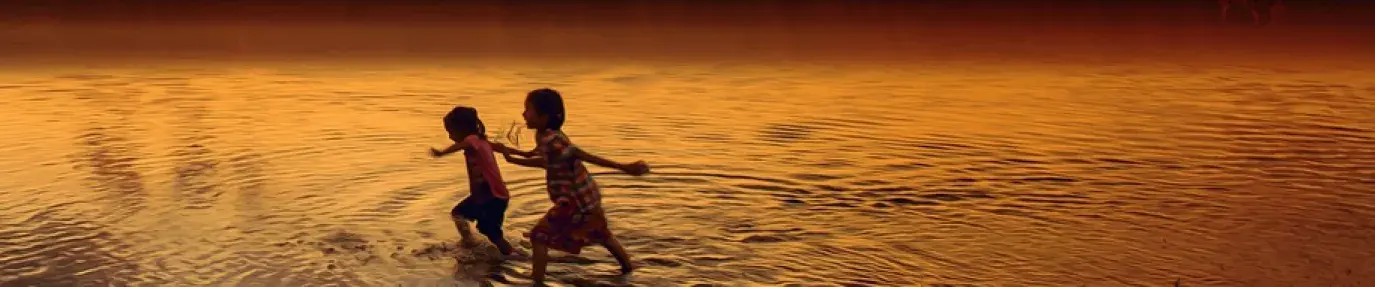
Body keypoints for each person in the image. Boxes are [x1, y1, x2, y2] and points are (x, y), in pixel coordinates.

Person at [494, 88, 650, 284]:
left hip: (573, 201)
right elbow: (545, 160)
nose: (524, 114)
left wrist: (623, 167)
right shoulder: (545, 135)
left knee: (539, 236)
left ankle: (537, 281)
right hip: (585, 198)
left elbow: (577, 153)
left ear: (544, 116)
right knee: (600, 233)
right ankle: (628, 270)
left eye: (528, 109)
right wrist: (511, 156)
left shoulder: (553, 139)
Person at [429, 106, 519, 258]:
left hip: (492, 196)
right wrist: (525, 154)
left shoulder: (472, 140)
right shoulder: (482, 141)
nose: (450, 136)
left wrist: (442, 153)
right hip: (485, 196)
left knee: (491, 232)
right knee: (458, 214)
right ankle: (469, 242)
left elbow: (462, 145)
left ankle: (513, 255)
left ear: (462, 129)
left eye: (450, 131)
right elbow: (503, 148)